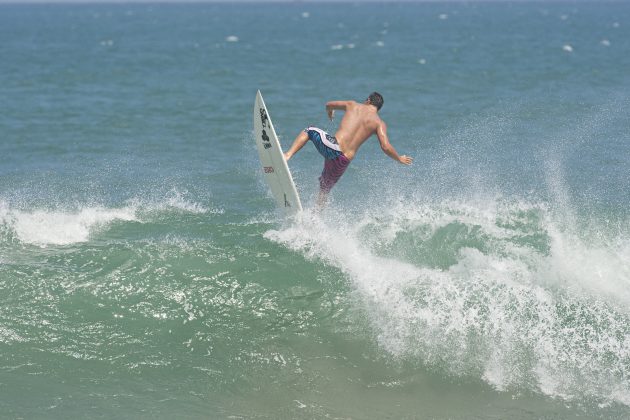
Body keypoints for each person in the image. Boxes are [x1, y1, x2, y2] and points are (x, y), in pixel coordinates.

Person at [284, 92, 413, 206]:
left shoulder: (353, 105)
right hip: (343, 161)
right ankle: (315, 218)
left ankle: (287, 155)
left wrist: (330, 111)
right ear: (378, 108)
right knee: (324, 189)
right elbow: (385, 146)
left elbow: (329, 104)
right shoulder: (379, 123)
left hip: (333, 147)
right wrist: (399, 158)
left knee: (310, 130)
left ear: (368, 100)